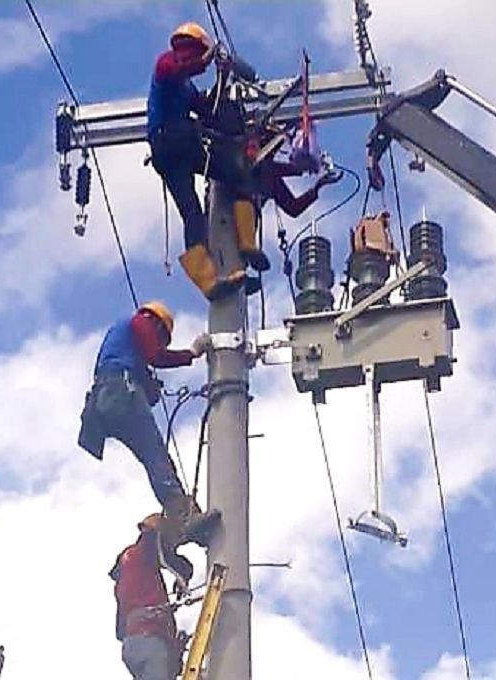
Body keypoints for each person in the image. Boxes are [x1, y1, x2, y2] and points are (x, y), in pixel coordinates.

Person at [78, 301, 219, 546]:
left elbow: (141, 371)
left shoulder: (120, 344)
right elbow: (156, 355)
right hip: (121, 392)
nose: (160, 342)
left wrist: (148, 384)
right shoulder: (142, 321)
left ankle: (181, 523)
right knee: (156, 457)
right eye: (162, 338)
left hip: (106, 402)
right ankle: (185, 519)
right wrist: (192, 353)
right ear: (158, 324)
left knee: (152, 458)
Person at [147, 22, 247, 301]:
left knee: (220, 187)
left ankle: (230, 262)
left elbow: (207, 110)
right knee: (199, 201)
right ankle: (211, 275)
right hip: (170, 143)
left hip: (177, 149)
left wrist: (222, 78)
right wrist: (208, 58)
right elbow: (179, 68)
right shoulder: (166, 64)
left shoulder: (187, 87)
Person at [233, 135, 344, 272]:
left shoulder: (269, 175)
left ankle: (244, 261)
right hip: (231, 204)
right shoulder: (259, 164)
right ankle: (244, 253)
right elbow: (276, 168)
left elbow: (293, 207)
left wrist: (316, 186)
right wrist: (303, 168)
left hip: (246, 218)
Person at [110, 514, 191, 680]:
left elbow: (120, 631)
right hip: (150, 639)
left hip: (132, 644)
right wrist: (184, 572)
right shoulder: (143, 552)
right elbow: (162, 549)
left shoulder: (126, 578)